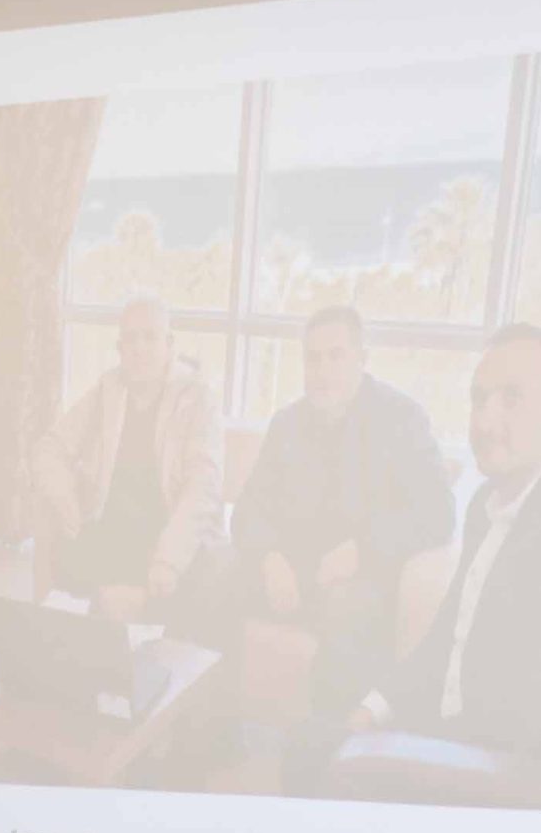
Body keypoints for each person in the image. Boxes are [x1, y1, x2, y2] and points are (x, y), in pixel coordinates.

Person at [348, 323, 541, 764]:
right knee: (312, 745)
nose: (484, 422)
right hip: (447, 742)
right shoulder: (485, 505)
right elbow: (447, 640)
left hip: (504, 774)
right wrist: (372, 709)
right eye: (479, 399)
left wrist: (421, 758)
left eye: (511, 398)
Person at [229, 305, 453, 717]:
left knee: (348, 609)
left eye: (336, 356)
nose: (322, 371)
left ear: (362, 359)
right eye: (313, 359)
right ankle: (208, 730)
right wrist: (268, 557)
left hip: (362, 580)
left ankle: (328, 746)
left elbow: (439, 511)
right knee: (213, 572)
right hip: (291, 574)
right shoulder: (287, 423)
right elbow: (247, 509)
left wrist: (363, 550)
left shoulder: (401, 418)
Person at [30, 294, 222, 623]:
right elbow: (50, 448)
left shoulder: (197, 397)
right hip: (115, 532)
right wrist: (65, 497)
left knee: (199, 576)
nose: (139, 348)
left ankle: (132, 618)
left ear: (169, 344)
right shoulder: (109, 388)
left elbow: (203, 488)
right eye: (130, 339)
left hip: (167, 532)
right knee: (70, 555)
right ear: (120, 348)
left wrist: (169, 559)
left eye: (150, 337)